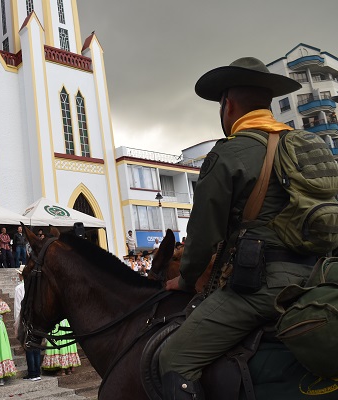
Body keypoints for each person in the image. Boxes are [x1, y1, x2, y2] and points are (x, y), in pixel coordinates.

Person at [158, 57, 314, 400]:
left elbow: (203, 236)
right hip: (322, 276)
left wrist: (185, 279)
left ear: (227, 105)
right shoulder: (306, 146)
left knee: (173, 358)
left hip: (265, 287)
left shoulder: (230, 153)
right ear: (268, 102)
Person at [14, 265, 41, 381]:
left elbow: (17, 307)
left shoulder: (19, 288)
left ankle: (32, 372)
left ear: (21, 275)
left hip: (26, 318)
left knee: (28, 345)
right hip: (36, 318)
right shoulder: (36, 286)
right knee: (36, 345)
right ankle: (37, 371)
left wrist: (17, 323)